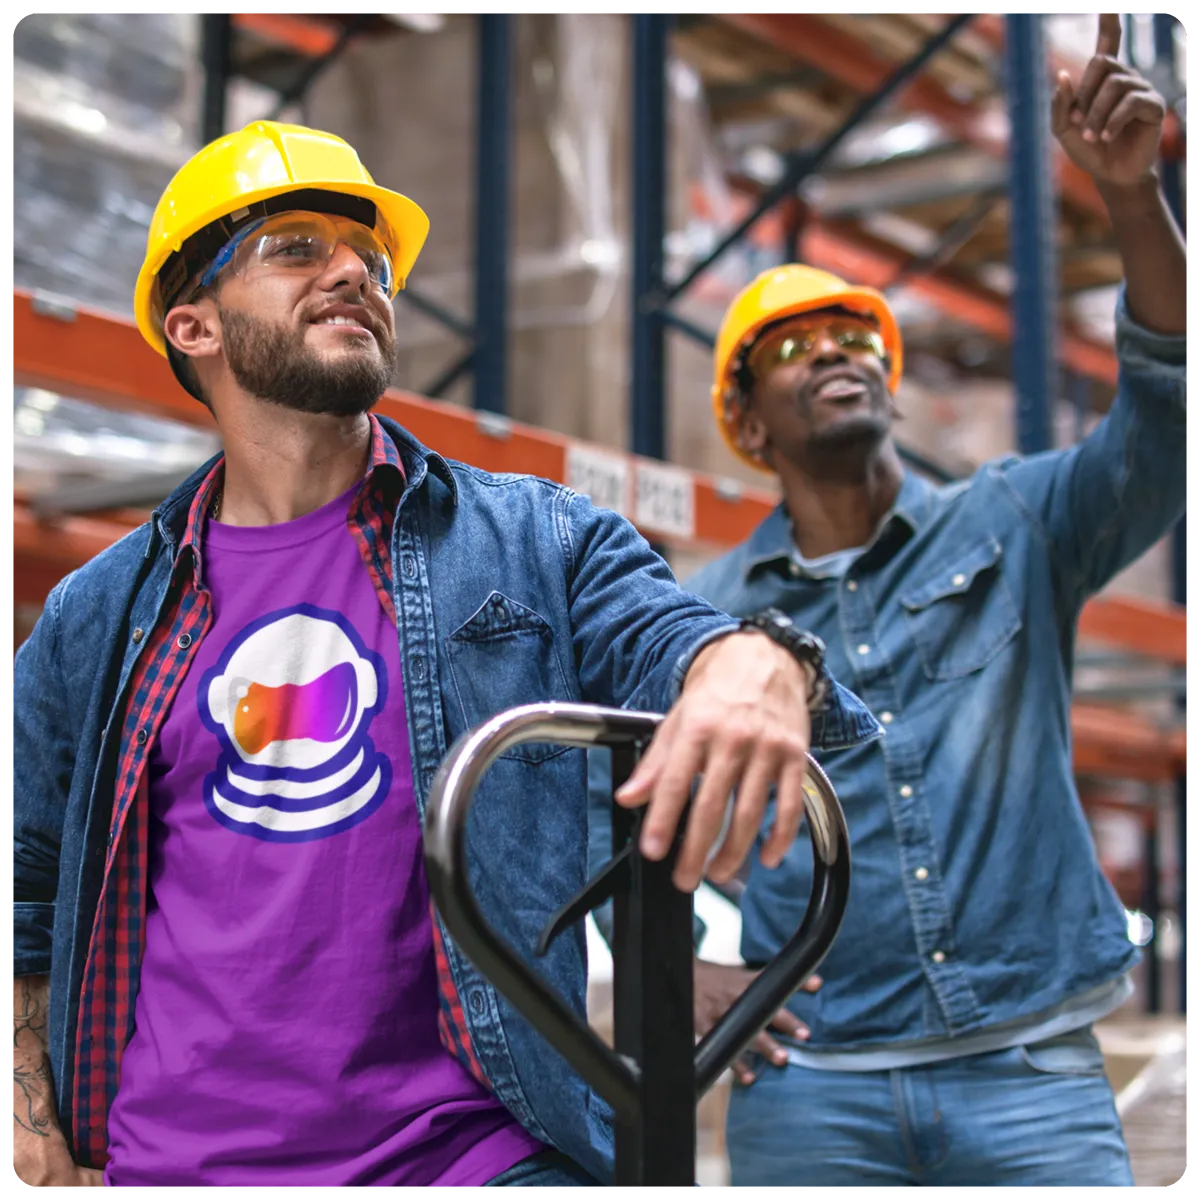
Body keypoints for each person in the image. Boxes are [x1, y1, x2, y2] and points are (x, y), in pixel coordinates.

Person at [8, 121, 881, 1191]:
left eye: (368, 262)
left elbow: (670, 639)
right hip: (181, 1164)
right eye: (295, 249)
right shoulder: (99, 616)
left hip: (471, 1161)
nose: (354, 277)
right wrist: (32, 1114)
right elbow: (24, 876)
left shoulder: (538, 541)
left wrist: (756, 663)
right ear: (193, 325)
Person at [592, 12, 1189, 1190]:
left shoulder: (1016, 524)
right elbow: (612, 814)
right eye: (796, 345)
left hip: (1031, 1081)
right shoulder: (706, 620)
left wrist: (1131, 196)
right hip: (814, 1093)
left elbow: (1169, 411)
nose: (837, 352)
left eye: (855, 335)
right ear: (751, 425)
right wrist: (667, 975)